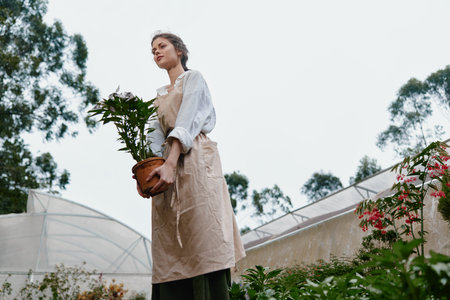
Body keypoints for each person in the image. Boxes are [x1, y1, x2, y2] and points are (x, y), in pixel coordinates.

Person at [135, 32, 245, 300]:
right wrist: (147, 177)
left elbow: (187, 121)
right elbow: (153, 138)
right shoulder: (158, 96)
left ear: (180, 51)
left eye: (162, 46)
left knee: (202, 233)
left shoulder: (194, 79)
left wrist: (172, 163)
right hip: (166, 170)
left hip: (194, 161)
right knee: (170, 241)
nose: (156, 52)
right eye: (153, 50)